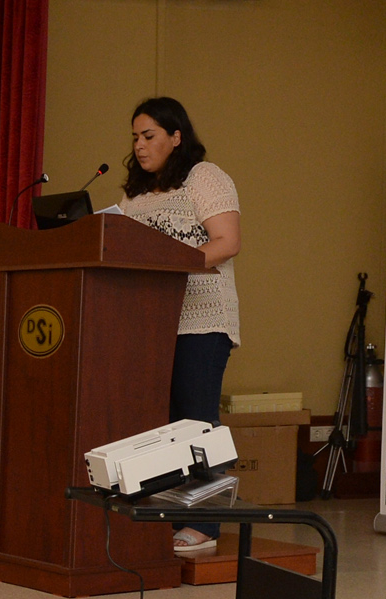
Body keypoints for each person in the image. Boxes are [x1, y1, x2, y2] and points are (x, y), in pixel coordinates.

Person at [119, 97, 242, 556]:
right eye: (135, 137)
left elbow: (227, 241)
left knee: (196, 422)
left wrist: (168, 266)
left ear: (176, 137)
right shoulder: (134, 194)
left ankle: (205, 524)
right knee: (158, 426)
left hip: (200, 319)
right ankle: (165, 514)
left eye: (149, 135)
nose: (140, 145)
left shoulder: (204, 177)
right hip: (149, 324)